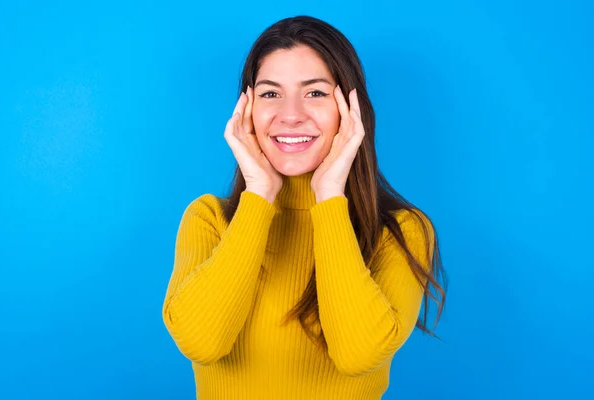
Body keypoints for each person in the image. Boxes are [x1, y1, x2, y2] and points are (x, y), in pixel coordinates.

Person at [162, 15, 447, 399]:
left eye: (314, 93)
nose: (291, 114)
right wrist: (259, 195)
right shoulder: (209, 220)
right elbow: (201, 342)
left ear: (350, 108)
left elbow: (357, 355)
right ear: (246, 111)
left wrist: (329, 196)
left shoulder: (403, 230)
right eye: (269, 93)